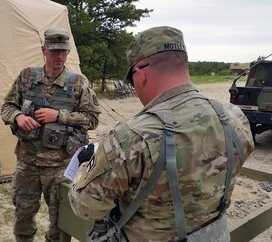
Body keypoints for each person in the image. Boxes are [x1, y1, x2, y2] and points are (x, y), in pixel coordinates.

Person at [69, 26, 255, 242]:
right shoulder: (234, 117)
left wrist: (84, 167)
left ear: (140, 74)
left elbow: (86, 207)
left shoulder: (131, 136)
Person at [1, 27, 101, 242]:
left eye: (63, 52)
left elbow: (92, 119)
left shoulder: (78, 83)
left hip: (60, 167)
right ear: (43, 50)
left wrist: (59, 115)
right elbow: (7, 106)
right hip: (27, 163)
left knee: (59, 221)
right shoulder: (27, 76)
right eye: (54, 51)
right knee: (23, 216)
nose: (59, 56)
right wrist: (17, 116)